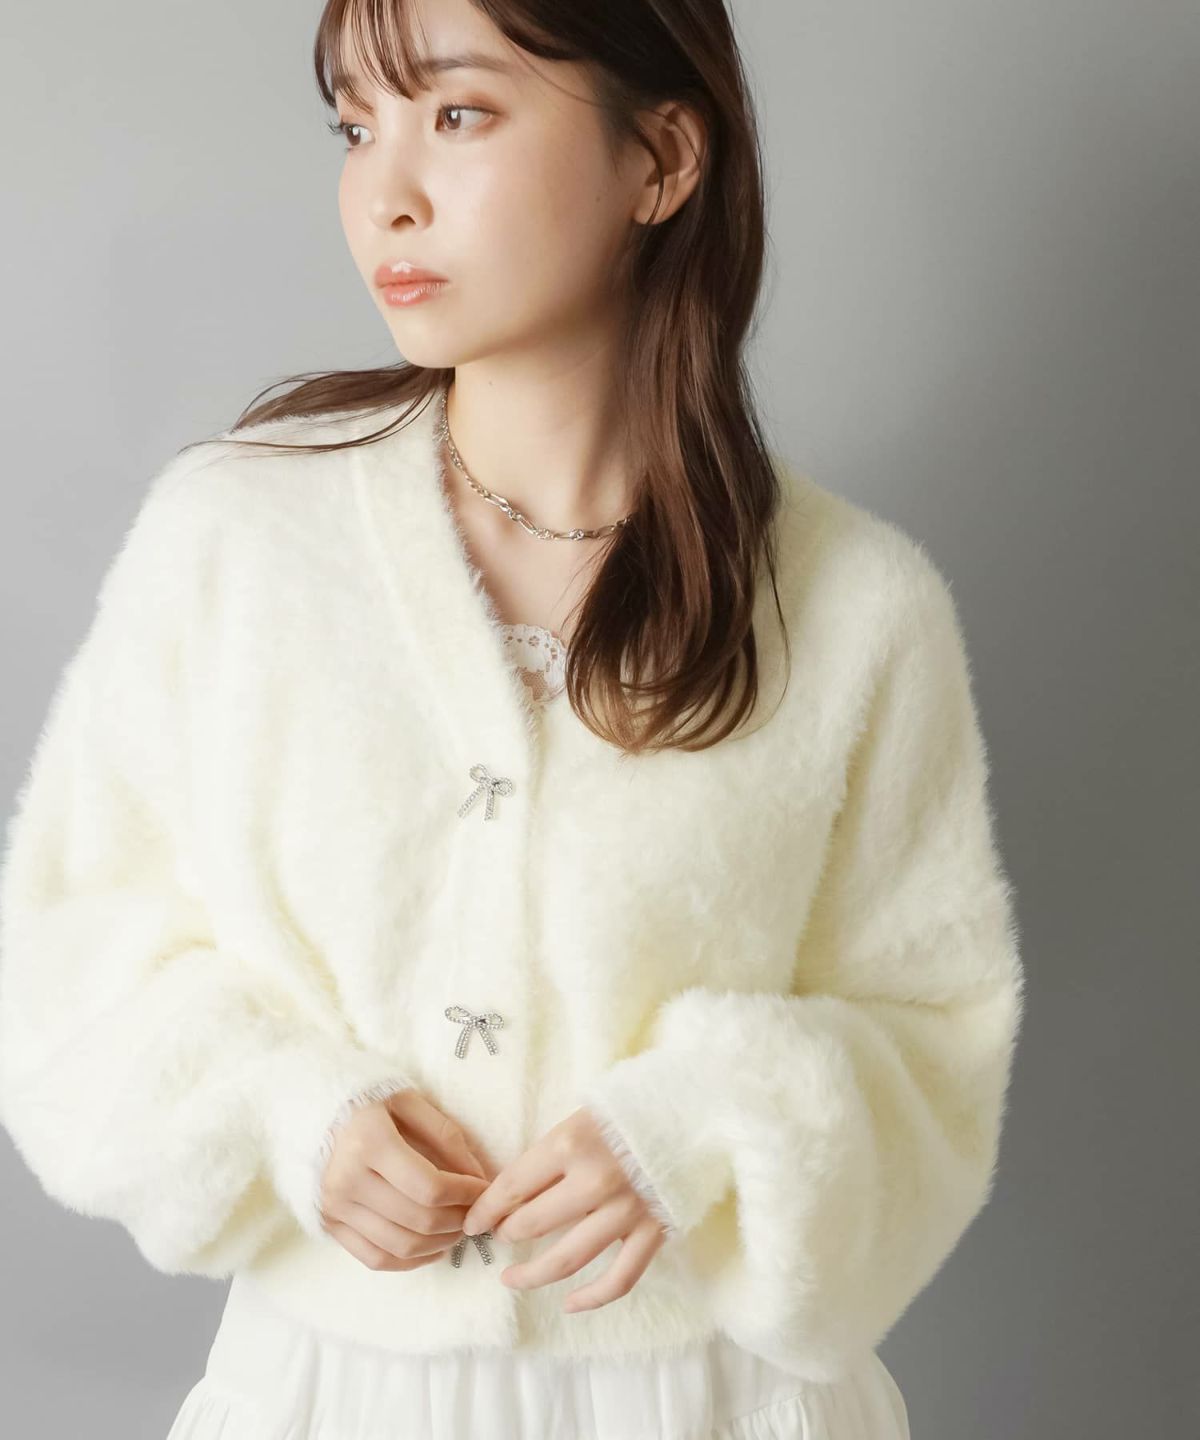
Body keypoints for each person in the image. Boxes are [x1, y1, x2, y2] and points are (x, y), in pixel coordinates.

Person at [0, 0, 1025, 1436]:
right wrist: (292, 1112)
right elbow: (62, 966)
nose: (386, 190)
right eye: (357, 125)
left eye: (458, 114)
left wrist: (697, 1126)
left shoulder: (857, 607)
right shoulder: (234, 543)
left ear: (660, 160)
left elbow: (935, 1053)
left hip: (720, 1406)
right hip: (332, 1397)